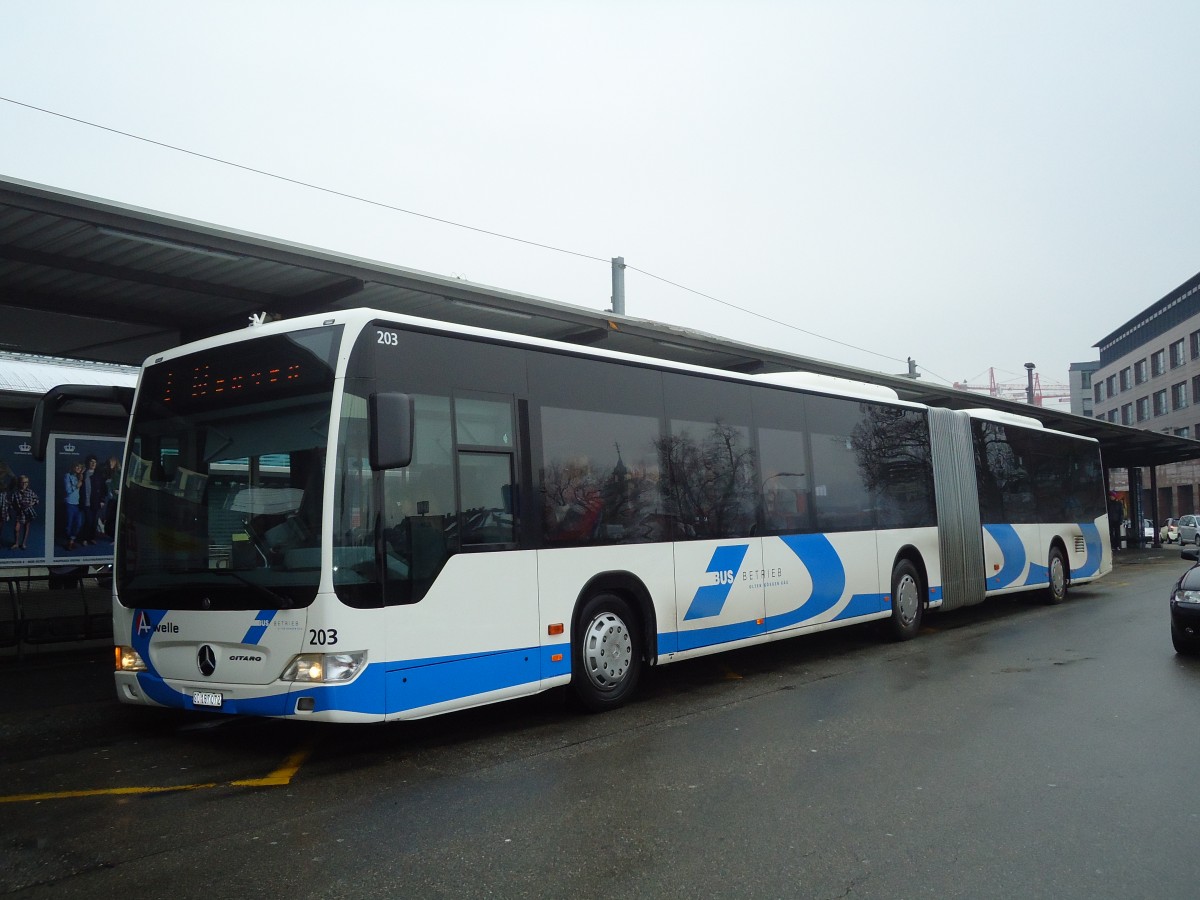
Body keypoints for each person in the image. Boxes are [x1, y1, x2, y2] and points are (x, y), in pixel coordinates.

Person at [9, 475, 39, 550]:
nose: (24, 484)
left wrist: (31, 504)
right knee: (16, 528)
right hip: (19, 513)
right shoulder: (15, 493)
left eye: (26, 482)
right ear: (19, 483)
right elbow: (11, 502)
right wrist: (14, 508)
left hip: (28, 513)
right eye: (22, 482)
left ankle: (23, 543)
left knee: (26, 526)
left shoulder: (30, 492)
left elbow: (36, 499)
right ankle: (16, 543)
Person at [62, 461, 85, 550]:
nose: (78, 469)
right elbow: (68, 490)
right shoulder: (67, 475)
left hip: (78, 504)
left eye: (80, 467)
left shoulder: (79, 477)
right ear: (73, 467)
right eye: (77, 467)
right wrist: (76, 486)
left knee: (78, 523)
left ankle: (72, 540)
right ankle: (69, 542)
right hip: (69, 503)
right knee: (69, 524)